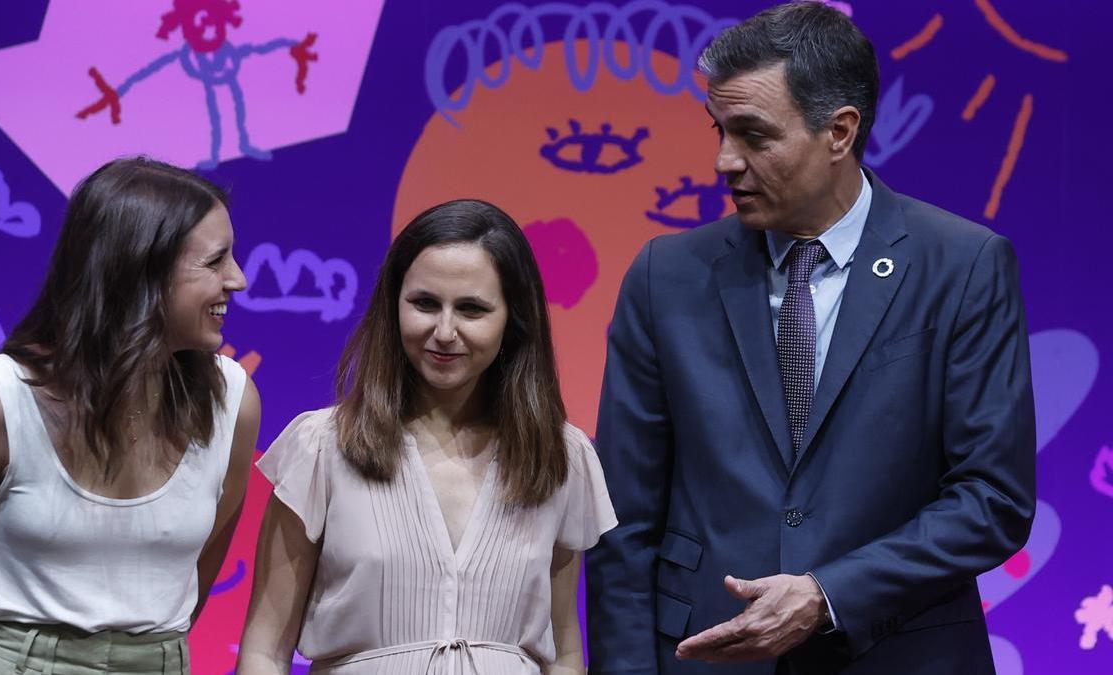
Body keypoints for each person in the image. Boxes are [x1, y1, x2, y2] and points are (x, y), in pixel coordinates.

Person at [585, 3, 1035, 674]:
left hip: (898, 654)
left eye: (753, 135)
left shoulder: (963, 266)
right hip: (707, 658)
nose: (723, 161)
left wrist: (829, 594)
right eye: (719, 130)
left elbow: (992, 498)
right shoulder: (665, 277)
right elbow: (623, 520)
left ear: (839, 132)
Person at [237, 198, 617, 674]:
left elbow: (563, 653)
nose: (444, 331)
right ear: (393, 306)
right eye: (424, 303)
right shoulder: (321, 447)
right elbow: (265, 649)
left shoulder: (560, 456)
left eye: (472, 309)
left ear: (513, 321)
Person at [0, 156, 261, 675]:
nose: (237, 279)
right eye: (215, 262)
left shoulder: (232, 400)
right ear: (141, 270)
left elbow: (195, 576)